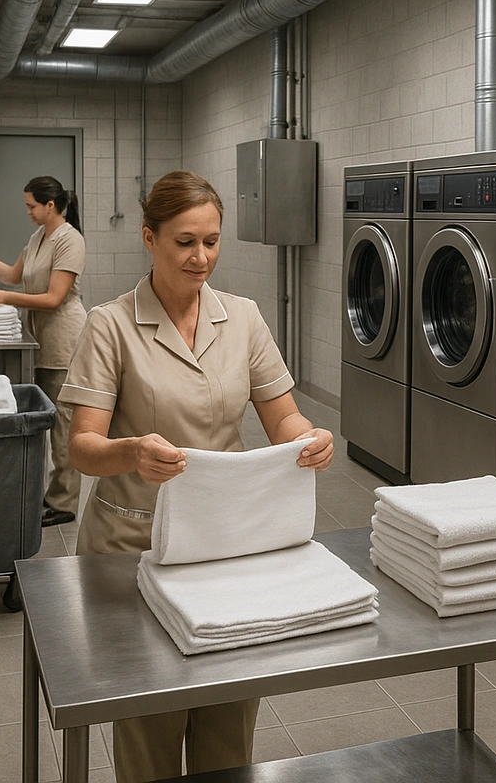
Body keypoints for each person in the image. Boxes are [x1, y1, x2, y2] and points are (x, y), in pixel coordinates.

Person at [59, 170, 333, 783]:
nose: (201, 257)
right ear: (149, 238)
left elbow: (282, 414)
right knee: (150, 725)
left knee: (228, 721)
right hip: (133, 549)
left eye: (212, 241)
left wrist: (308, 440)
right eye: (185, 242)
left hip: (223, 546)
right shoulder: (111, 325)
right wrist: (131, 452)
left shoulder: (243, 318)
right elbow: (83, 447)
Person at [0, 176, 87, 528]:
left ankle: (65, 502)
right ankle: (51, 493)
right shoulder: (37, 238)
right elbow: (14, 276)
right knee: (49, 417)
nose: (27, 211)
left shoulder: (70, 240)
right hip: (40, 336)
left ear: (50, 205)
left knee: (63, 423)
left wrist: (4, 299)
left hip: (63, 338)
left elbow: (54, 298)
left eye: (31, 205)